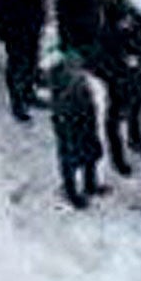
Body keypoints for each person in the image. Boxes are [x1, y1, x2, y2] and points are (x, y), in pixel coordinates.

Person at [94, 0, 141, 173]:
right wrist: (120, 66)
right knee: (113, 119)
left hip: (137, 75)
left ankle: (136, 138)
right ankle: (117, 157)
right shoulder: (106, 25)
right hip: (118, 80)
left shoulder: (136, 15)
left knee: (137, 107)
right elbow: (102, 57)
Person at [48, 51, 106, 210]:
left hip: (84, 122)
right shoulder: (64, 86)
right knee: (70, 157)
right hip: (71, 125)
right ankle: (71, 191)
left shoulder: (79, 82)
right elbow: (62, 110)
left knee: (90, 154)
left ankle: (90, 184)